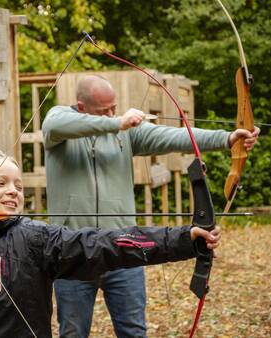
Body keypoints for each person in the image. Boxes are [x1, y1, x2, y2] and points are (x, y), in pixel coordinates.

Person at [0, 148, 221, 338]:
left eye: (18, 186)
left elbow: (107, 244)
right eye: (1, 183)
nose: (13, 191)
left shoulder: (36, 238)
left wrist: (182, 240)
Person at [42, 75, 259, 338]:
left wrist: (227, 139)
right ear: (81, 106)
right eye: (104, 110)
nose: (112, 113)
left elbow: (174, 136)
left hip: (124, 249)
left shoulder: (125, 134)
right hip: (73, 252)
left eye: (114, 108)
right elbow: (57, 124)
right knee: (73, 333)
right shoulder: (59, 122)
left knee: (133, 332)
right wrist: (116, 122)